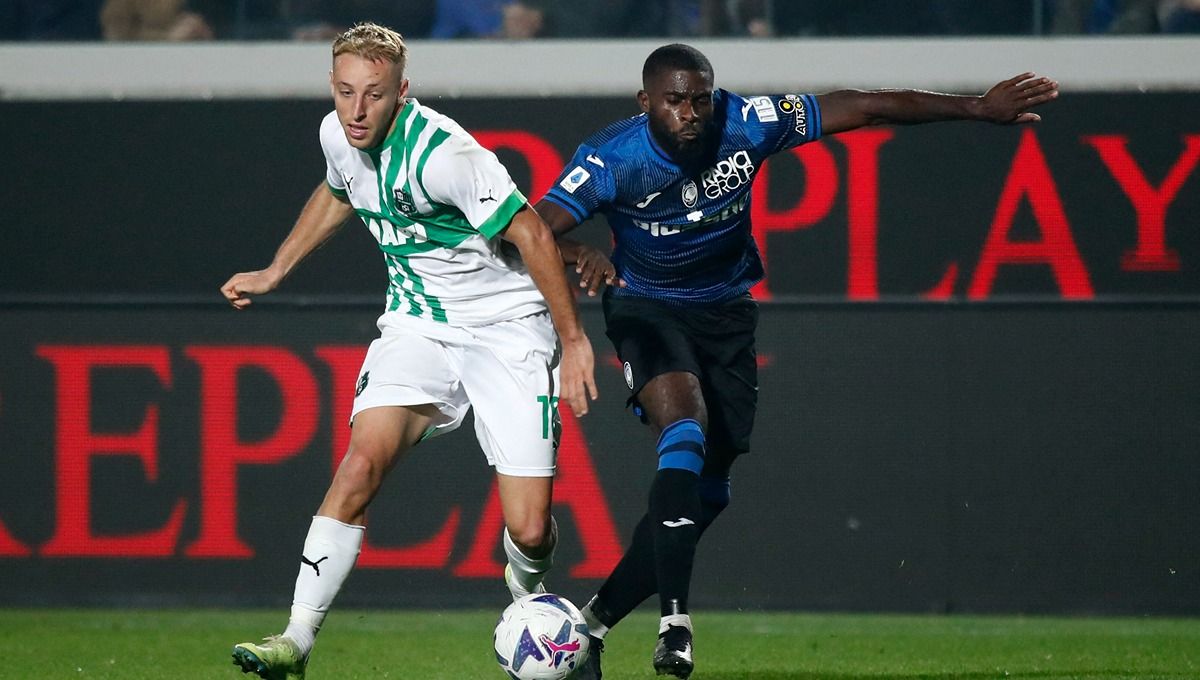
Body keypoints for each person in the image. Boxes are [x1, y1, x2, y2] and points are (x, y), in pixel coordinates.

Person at [534, 44, 1058, 679]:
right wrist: (578, 252)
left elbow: (863, 107)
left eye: (700, 98)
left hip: (726, 312)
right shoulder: (612, 159)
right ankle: (676, 625)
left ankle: (589, 626)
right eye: (675, 100)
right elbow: (531, 228)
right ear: (646, 103)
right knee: (685, 429)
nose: (692, 112)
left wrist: (977, 107)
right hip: (646, 309)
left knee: (711, 491)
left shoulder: (746, 120)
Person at [222, 22, 597, 680]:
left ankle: (529, 596)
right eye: (344, 92)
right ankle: (295, 641)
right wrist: (277, 269)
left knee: (531, 530)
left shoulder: (446, 155)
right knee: (361, 462)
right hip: (418, 328)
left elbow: (534, 235)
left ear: (402, 90)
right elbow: (337, 193)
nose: (357, 110)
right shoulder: (336, 134)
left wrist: (573, 342)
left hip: (507, 329)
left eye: (373, 94)